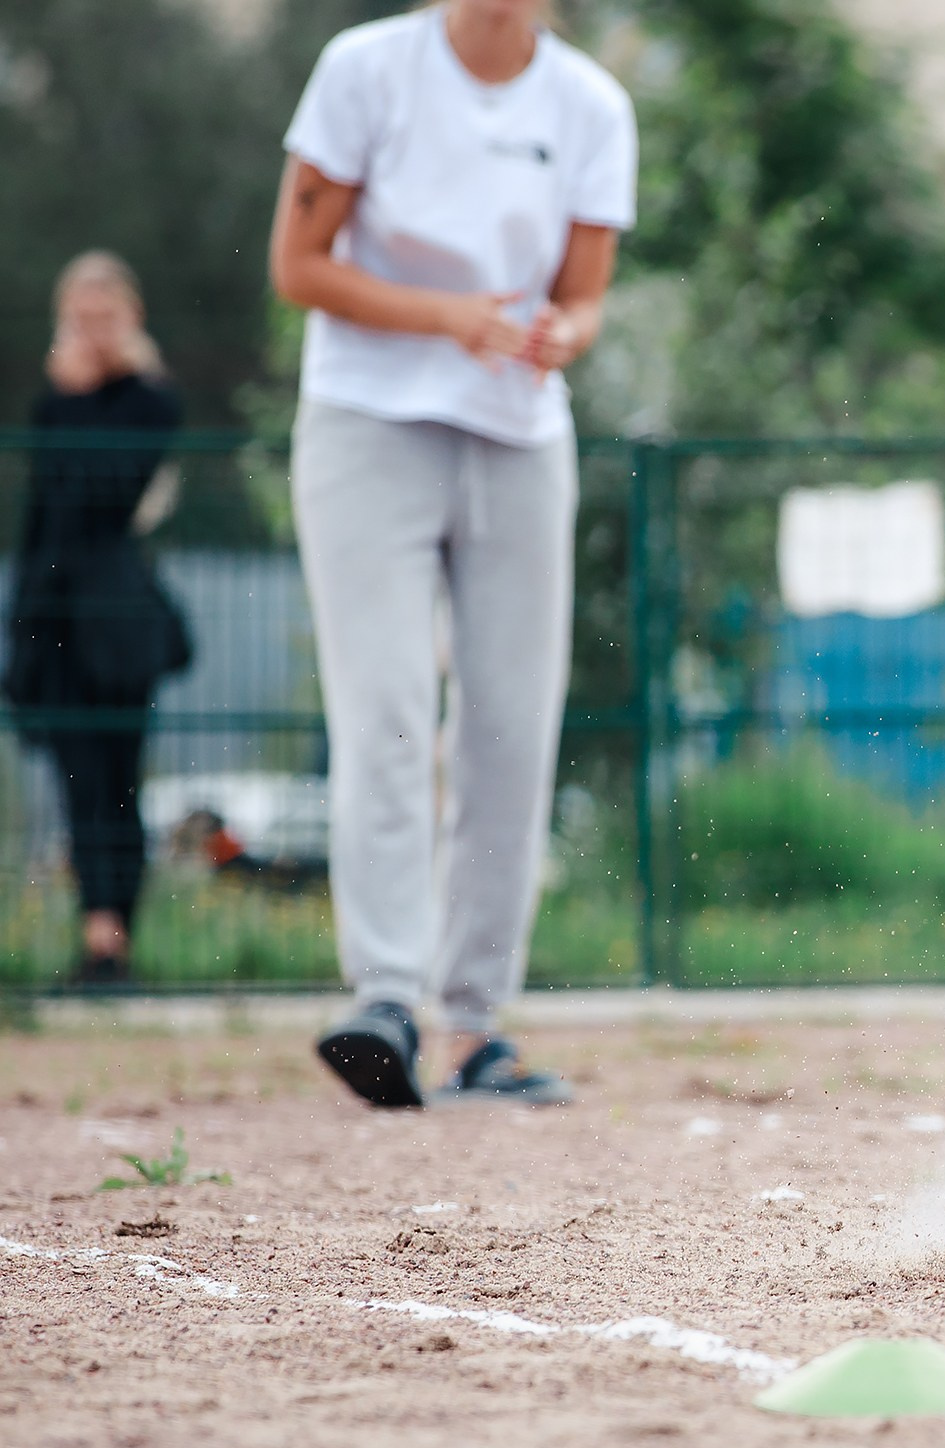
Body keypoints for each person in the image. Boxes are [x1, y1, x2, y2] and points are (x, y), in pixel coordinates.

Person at [269, 0, 634, 1105]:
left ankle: (472, 1028)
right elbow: (297, 264)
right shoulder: (365, 68)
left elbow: (584, 294)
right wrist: (448, 318)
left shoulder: (590, 102)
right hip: (366, 421)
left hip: (520, 436)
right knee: (384, 709)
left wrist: (563, 333)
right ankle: (382, 993)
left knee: (511, 732)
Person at [3, 253, 189, 985]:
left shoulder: (151, 400)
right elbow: (43, 514)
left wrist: (76, 401)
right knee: (78, 782)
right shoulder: (52, 403)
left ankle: (118, 942)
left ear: (131, 319)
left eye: (104, 316)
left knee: (119, 782)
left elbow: (103, 497)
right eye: (80, 318)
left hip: (116, 626)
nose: (92, 331)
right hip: (53, 623)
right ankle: (97, 937)